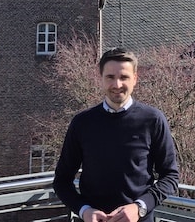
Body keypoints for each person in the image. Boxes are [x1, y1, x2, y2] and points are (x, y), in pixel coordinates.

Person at [53, 47, 180, 222]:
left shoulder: (153, 120)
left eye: (124, 77)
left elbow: (170, 177)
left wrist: (139, 208)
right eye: (110, 77)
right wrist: (84, 210)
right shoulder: (82, 123)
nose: (117, 85)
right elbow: (62, 180)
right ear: (101, 79)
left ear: (135, 79)